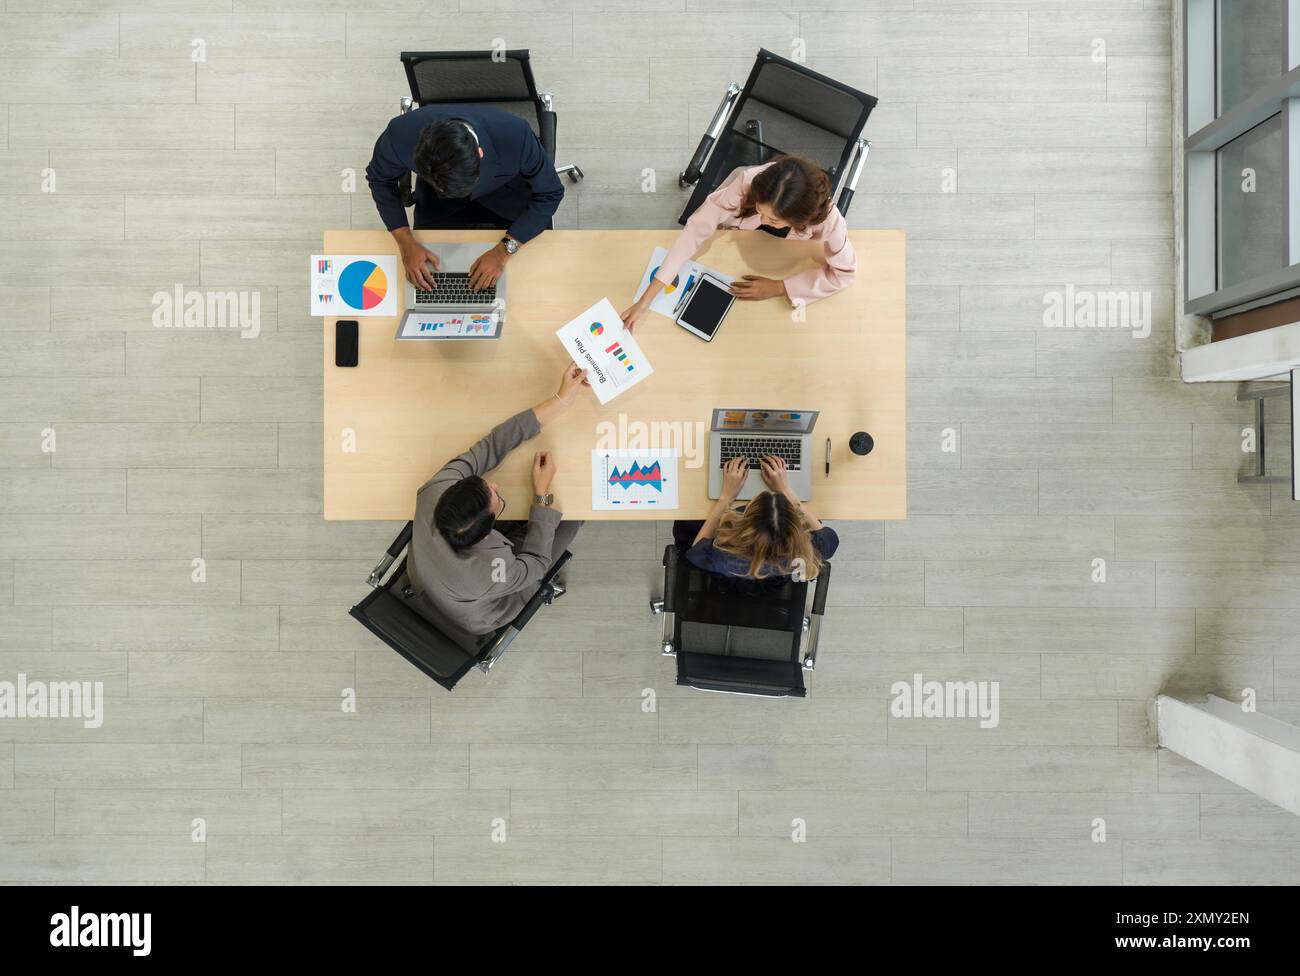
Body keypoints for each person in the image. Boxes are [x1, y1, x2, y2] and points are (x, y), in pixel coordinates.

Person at [408, 364, 588, 640]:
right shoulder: (490, 573)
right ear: (488, 532)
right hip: (478, 610)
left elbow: (490, 446)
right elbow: (536, 563)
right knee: (575, 512)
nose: (494, 484)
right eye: (495, 497)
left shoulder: (435, 491)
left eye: (483, 484)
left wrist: (560, 400)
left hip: (432, 579)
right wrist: (541, 494)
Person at [621, 154, 857, 331]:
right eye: (760, 210)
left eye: (773, 219)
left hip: (778, 256)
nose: (763, 220)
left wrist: (780, 287)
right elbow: (695, 231)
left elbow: (845, 273)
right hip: (739, 242)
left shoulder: (830, 222)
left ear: (800, 219)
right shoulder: (748, 182)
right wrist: (645, 300)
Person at [366, 104, 565, 293]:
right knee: (433, 280)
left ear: (480, 154)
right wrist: (405, 242)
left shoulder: (515, 136)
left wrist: (502, 252)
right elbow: (379, 180)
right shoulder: (401, 134)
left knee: (530, 281)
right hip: (439, 201)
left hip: (508, 195)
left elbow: (551, 192)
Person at [673, 455, 838, 593]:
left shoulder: (724, 556)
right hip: (771, 586)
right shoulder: (808, 552)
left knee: (688, 522)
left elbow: (695, 553)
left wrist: (726, 497)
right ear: (794, 528)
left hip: (729, 581)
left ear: (745, 522)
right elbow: (829, 538)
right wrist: (786, 491)